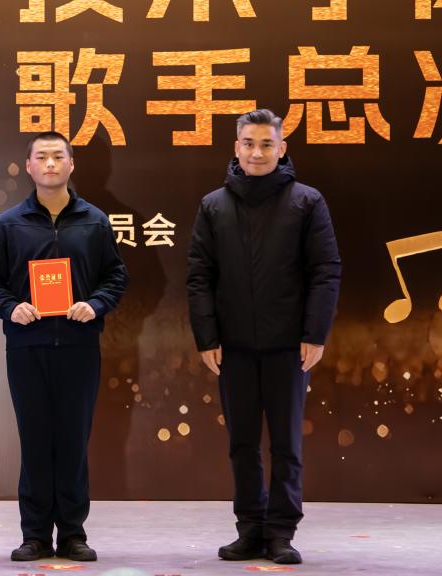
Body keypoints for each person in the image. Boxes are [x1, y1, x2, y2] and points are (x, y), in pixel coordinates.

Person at [187, 109, 342, 565]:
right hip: (232, 346)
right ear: (236, 147)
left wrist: (315, 333)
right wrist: (206, 337)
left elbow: (326, 270)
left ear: (281, 148)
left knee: (287, 445)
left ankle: (281, 533)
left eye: (266, 144)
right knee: (242, 443)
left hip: (288, 346)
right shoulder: (213, 205)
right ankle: (250, 528)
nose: (257, 153)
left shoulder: (307, 202)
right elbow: (200, 275)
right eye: (249, 144)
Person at [0, 131, 127, 562]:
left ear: (71, 164)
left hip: (79, 346)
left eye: (58, 156)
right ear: (29, 166)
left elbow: (115, 276)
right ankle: (36, 535)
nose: (50, 164)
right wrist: (12, 308)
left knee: (74, 441)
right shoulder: (10, 223)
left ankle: (73, 534)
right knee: (36, 440)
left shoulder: (94, 221)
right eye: (41, 157)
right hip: (28, 347)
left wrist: (94, 305)